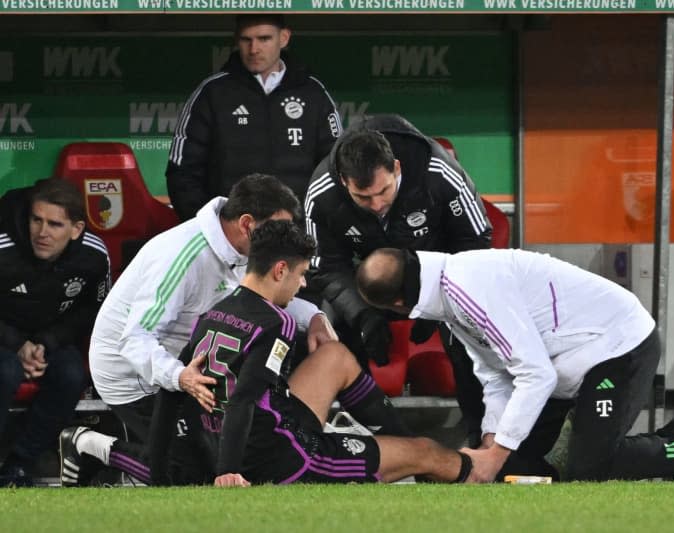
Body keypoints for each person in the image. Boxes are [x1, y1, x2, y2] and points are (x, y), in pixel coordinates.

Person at [63, 221, 473, 486]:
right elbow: (241, 400)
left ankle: (392, 454)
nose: (301, 285)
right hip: (287, 459)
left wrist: (158, 470)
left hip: (259, 429)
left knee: (336, 358)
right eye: (300, 275)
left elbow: (175, 389)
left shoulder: (212, 312)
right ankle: (482, 477)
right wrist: (227, 473)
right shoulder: (278, 325)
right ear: (280, 270)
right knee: (427, 451)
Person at [355, 248, 674, 482]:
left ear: (398, 304)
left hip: (618, 347)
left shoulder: (469, 289)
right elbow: (496, 375)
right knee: (517, 469)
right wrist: (491, 445)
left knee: (591, 468)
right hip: (562, 370)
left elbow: (534, 373)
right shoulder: (448, 297)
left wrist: (495, 453)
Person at [86, 174, 335, 451]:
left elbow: (263, 295)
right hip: (134, 376)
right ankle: (90, 447)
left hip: (192, 365)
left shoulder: (249, 247)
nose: (284, 242)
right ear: (246, 224)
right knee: (195, 475)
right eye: (278, 231)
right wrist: (180, 376)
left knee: (236, 457)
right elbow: (134, 339)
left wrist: (314, 317)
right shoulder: (181, 256)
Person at [304, 114, 490, 445]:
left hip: (438, 278)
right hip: (366, 287)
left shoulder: (439, 172)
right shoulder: (322, 192)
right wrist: (362, 312)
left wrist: (440, 301)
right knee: (336, 334)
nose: (376, 205)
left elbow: (476, 242)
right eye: (363, 197)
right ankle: (361, 440)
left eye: (383, 191)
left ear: (397, 169)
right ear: (345, 182)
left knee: (467, 334)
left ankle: (481, 440)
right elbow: (326, 266)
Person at [166, 14, 341, 222]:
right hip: (232, 235)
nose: (254, 49)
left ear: (284, 38)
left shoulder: (314, 93)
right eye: (246, 39)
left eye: (264, 39)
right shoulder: (212, 93)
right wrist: (213, 228)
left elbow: (336, 168)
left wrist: (314, 226)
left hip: (296, 234)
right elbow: (182, 172)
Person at [0, 179, 110, 487]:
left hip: (50, 337)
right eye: (36, 220)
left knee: (71, 375)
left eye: (54, 224)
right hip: (4, 336)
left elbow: (95, 311)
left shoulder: (93, 255)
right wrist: (16, 343)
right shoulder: (3, 246)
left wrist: (46, 342)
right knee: (5, 371)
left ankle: (19, 466)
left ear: (76, 229)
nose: (42, 232)